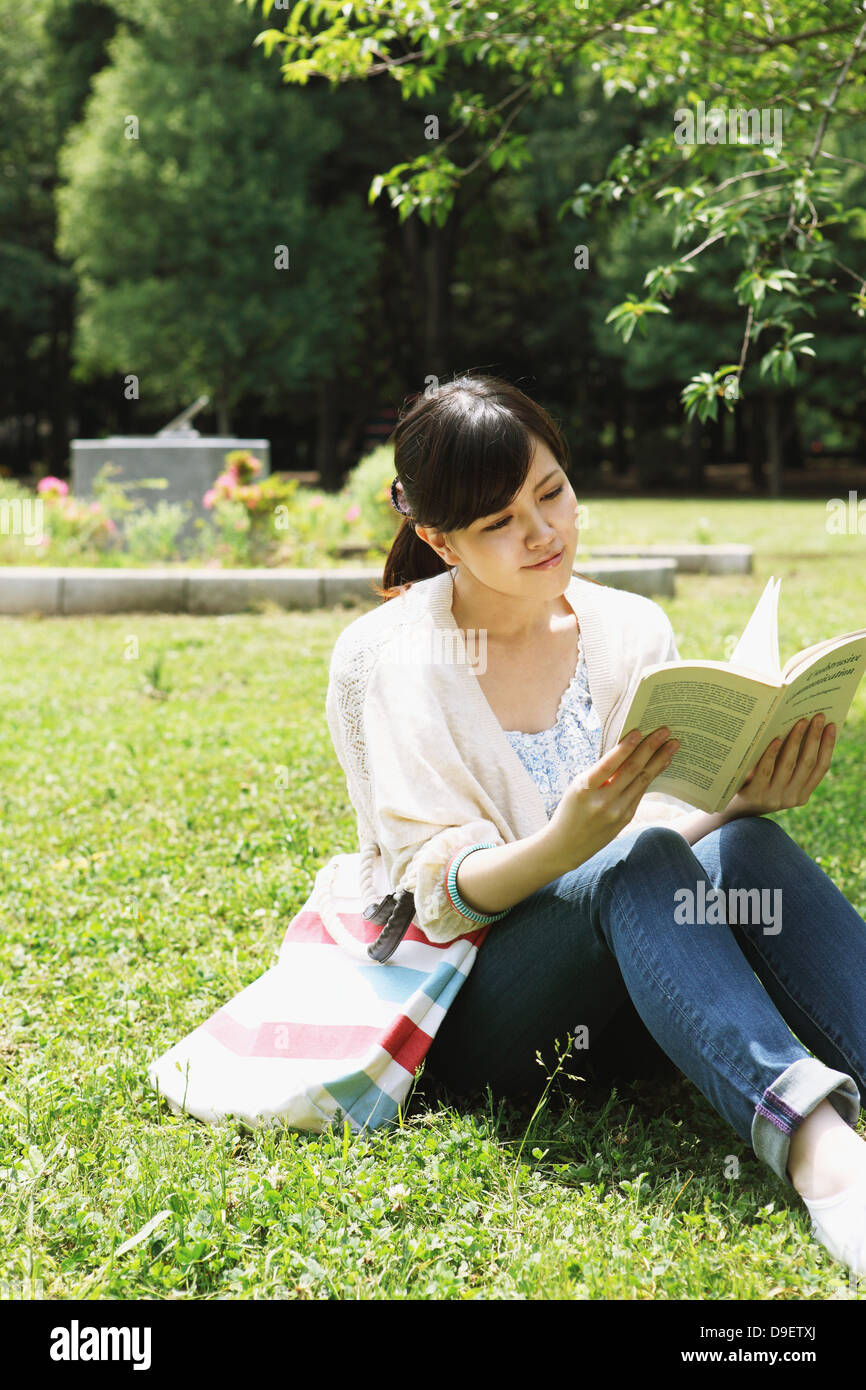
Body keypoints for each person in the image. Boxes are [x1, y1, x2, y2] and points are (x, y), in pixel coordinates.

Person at [324, 372, 866, 1277]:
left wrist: (742, 798)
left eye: (552, 493)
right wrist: (566, 842)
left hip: (645, 999)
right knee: (630, 861)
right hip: (485, 1017)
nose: (543, 533)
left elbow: (672, 829)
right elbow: (439, 897)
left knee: (745, 846)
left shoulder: (627, 628)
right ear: (437, 539)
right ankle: (825, 1159)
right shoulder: (394, 659)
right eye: (498, 522)